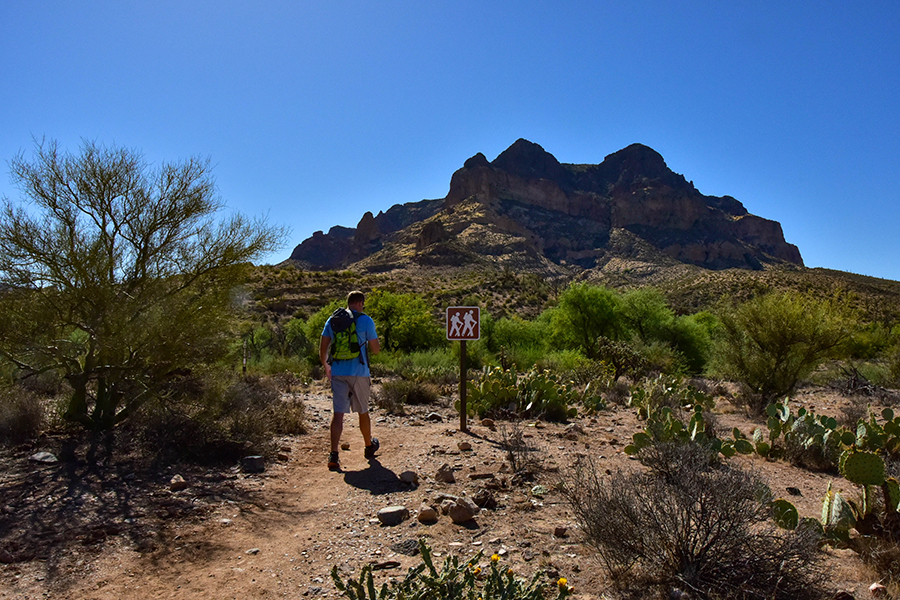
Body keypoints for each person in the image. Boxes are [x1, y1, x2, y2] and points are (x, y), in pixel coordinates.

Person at [320, 290, 381, 471]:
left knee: (338, 413)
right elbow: (376, 349)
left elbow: (323, 348)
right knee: (363, 411)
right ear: (361, 303)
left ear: (348, 302)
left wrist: (327, 367)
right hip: (359, 372)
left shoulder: (332, 320)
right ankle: (368, 446)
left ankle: (334, 455)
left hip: (338, 371)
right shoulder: (366, 320)